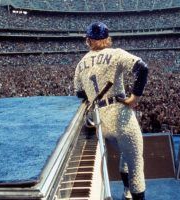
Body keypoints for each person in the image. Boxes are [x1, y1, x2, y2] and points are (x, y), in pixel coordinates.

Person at [74, 22, 149, 200]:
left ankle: (126, 191)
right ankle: (132, 192)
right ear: (107, 39)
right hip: (120, 117)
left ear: (88, 40)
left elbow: (80, 94)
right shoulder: (116, 53)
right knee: (136, 165)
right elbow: (142, 68)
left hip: (99, 122)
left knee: (124, 153)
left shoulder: (80, 64)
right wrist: (134, 98)